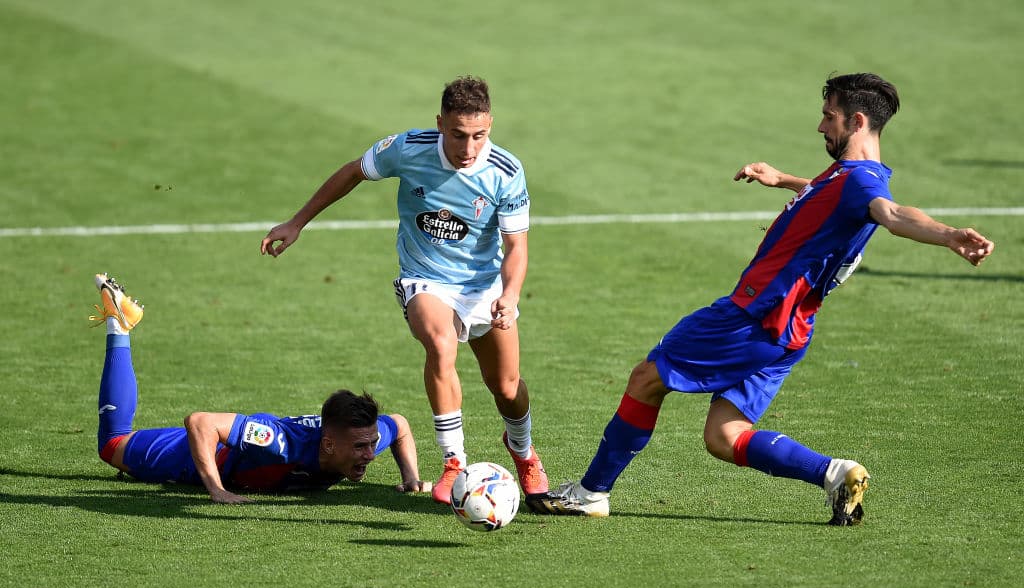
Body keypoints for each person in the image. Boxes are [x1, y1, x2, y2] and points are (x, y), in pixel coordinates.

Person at [531, 73, 995, 524]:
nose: (820, 127)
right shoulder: (846, 176)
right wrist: (785, 180)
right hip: (790, 332)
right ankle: (835, 473)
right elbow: (830, 200)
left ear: (856, 121)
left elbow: (892, 214)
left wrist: (949, 234)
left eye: (828, 117)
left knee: (648, 377)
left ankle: (591, 493)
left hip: (752, 317)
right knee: (724, 436)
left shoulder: (863, 182)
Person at [259, 75, 549, 507]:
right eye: (457, 135)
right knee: (440, 342)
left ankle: (523, 453)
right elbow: (353, 172)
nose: (468, 148)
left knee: (507, 388)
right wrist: (297, 221)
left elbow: (516, 246)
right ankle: (454, 462)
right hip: (425, 278)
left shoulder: (505, 171)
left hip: (483, 286)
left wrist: (510, 294)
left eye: (478, 136)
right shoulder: (408, 148)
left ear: (490, 126)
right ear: (440, 123)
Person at [90, 273, 430, 503]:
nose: (370, 455)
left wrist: (410, 477)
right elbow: (200, 422)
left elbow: (398, 425)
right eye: (360, 447)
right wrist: (216, 488)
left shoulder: (363, 435)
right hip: (197, 457)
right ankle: (120, 325)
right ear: (327, 444)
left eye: (371, 444)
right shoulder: (279, 442)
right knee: (112, 445)